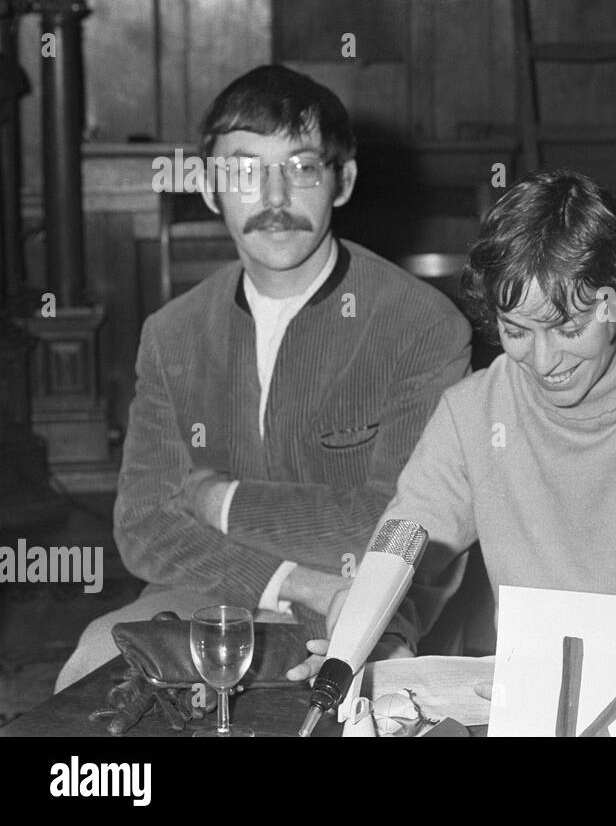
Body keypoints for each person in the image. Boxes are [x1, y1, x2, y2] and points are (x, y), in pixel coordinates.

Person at [56, 65, 472, 691]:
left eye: (302, 167)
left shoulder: (422, 325)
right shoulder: (172, 332)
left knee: (360, 706)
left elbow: (394, 527)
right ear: (206, 187)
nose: (274, 198)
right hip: (210, 591)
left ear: (343, 180)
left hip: (365, 605)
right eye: (245, 171)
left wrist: (220, 501)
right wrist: (288, 580)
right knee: (95, 661)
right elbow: (143, 527)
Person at [289, 170, 616, 678]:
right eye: (517, 331)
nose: (545, 360)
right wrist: (375, 633)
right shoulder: (473, 412)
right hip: (524, 690)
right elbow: (406, 553)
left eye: (569, 327)